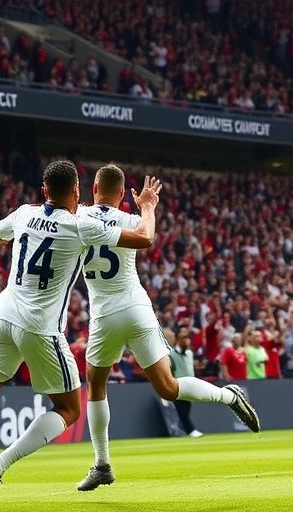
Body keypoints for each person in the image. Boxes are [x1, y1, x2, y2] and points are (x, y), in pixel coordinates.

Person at [0, 160, 159, 512]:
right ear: (78, 192)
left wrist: (14, 232)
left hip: (3, 315)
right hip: (40, 327)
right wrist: (146, 207)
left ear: (43, 190)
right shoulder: (81, 224)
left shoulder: (23, 213)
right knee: (69, 409)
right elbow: (143, 238)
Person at [75, 165, 260, 491]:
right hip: (136, 308)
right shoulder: (132, 220)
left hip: (103, 315)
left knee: (96, 386)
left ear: (93, 189)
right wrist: (147, 205)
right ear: (121, 195)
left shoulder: (79, 219)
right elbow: (147, 234)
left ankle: (102, 463)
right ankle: (227, 396)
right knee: (167, 387)